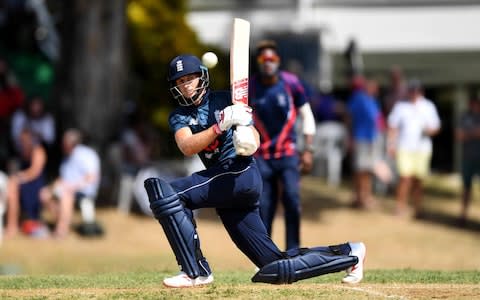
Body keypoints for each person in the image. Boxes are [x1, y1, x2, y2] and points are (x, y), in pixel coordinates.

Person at [143, 53, 366, 288]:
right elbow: (187, 146)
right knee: (274, 266)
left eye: (190, 78)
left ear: (202, 77)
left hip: (241, 173)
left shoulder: (227, 100)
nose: (186, 85)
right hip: (225, 187)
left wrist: (247, 138)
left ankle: (195, 271)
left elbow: (254, 136)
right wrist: (220, 127)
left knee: (168, 193)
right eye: (180, 81)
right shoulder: (179, 116)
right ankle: (350, 254)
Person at [249, 40, 316, 251]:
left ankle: (293, 251)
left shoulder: (291, 83)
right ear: (258, 62)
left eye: (272, 59)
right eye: (264, 59)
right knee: (264, 206)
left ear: (278, 61)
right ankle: (265, 255)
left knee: (292, 199)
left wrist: (308, 150)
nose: (268, 63)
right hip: (261, 156)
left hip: (288, 153)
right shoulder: (249, 86)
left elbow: (307, 116)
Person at [387, 79, 441, 218]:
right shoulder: (401, 106)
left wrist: (430, 130)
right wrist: (391, 144)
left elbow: (436, 127)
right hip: (404, 147)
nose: (414, 93)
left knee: (418, 179)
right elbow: (393, 126)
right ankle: (400, 207)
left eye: (416, 91)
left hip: (422, 149)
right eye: (412, 90)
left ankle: (418, 208)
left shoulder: (428, 106)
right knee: (405, 178)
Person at [39, 129, 101, 238]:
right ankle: (61, 221)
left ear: (72, 144)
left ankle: (61, 231)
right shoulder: (67, 157)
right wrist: (51, 188)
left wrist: (73, 187)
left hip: (84, 190)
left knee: (66, 195)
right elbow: (63, 178)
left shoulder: (86, 155)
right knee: (45, 194)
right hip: (67, 187)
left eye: (64, 143)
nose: (62, 146)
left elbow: (91, 177)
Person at [346, 76, 383, 209]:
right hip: (360, 138)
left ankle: (365, 196)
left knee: (367, 169)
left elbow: (377, 120)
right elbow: (348, 117)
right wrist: (350, 136)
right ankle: (360, 196)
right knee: (360, 169)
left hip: (371, 139)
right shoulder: (358, 98)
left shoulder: (372, 101)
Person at [5, 127, 48, 238]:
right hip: (24, 182)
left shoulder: (38, 151)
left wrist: (19, 177)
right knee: (11, 188)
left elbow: (34, 172)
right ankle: (11, 224)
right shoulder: (22, 151)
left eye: (24, 139)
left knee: (12, 186)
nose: (22, 141)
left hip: (34, 184)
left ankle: (12, 225)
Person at [455, 97, 480, 226]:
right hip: (468, 157)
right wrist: (474, 133)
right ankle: (463, 216)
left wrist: (468, 133)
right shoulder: (464, 117)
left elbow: (464, 134)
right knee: (466, 188)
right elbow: (459, 135)